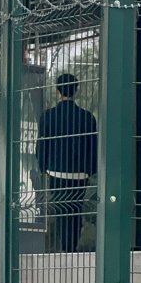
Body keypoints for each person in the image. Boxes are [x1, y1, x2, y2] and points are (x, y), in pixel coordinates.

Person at [36, 73, 98, 253]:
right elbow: (92, 147)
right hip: (79, 174)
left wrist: (44, 167)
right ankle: (73, 245)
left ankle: (66, 248)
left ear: (57, 91)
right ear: (76, 91)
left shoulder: (48, 117)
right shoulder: (87, 118)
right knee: (76, 209)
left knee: (62, 210)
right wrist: (89, 170)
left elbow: (42, 145)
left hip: (56, 172)